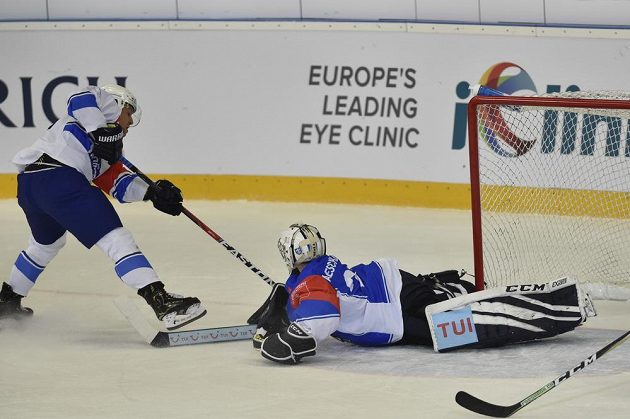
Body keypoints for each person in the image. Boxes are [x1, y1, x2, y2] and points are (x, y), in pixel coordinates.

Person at [0, 84, 206, 330]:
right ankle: (162, 303)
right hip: (59, 178)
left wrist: (152, 193)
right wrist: (99, 130)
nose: (130, 123)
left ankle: (8, 300)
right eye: (130, 114)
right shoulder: (105, 106)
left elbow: (118, 184)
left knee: (46, 245)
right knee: (116, 238)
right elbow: (79, 97)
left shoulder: (109, 147)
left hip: (32, 185)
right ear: (122, 105)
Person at [249, 223, 597, 364]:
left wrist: (292, 335)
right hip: (394, 292)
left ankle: (561, 303)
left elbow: (323, 317)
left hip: (392, 313)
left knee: (463, 325)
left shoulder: (309, 283)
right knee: (454, 324)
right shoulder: (320, 266)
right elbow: (310, 298)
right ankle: (448, 287)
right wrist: (283, 311)